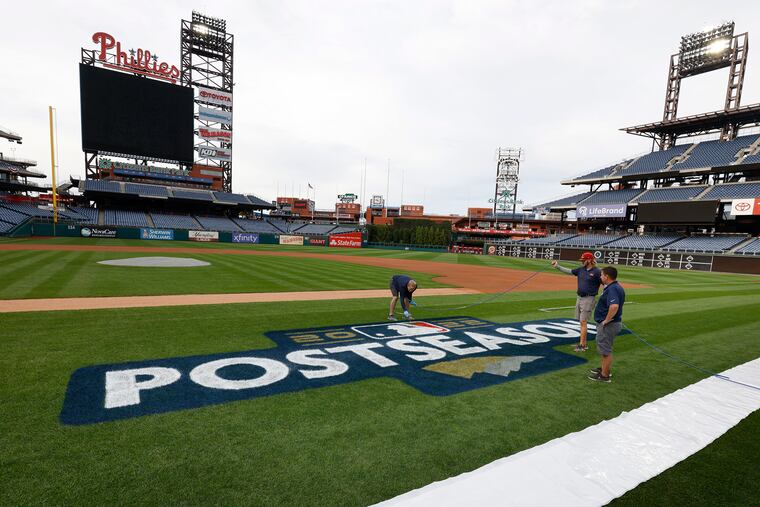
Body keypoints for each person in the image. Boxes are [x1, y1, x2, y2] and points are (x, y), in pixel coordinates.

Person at [551, 252, 601, 352]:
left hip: (589, 299)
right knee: (580, 321)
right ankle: (582, 342)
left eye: (584, 260)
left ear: (589, 260)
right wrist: (557, 266)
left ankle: (583, 345)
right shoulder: (581, 269)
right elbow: (569, 271)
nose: (582, 262)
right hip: (579, 298)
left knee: (583, 322)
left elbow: (605, 282)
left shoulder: (597, 272)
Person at [587, 266, 625, 383]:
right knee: (605, 348)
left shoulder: (613, 289)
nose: (600, 276)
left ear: (607, 276)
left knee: (605, 351)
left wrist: (606, 320)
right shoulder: (615, 286)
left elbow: (614, 306)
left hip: (609, 325)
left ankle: (604, 375)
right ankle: (604, 369)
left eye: (602, 275)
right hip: (613, 323)